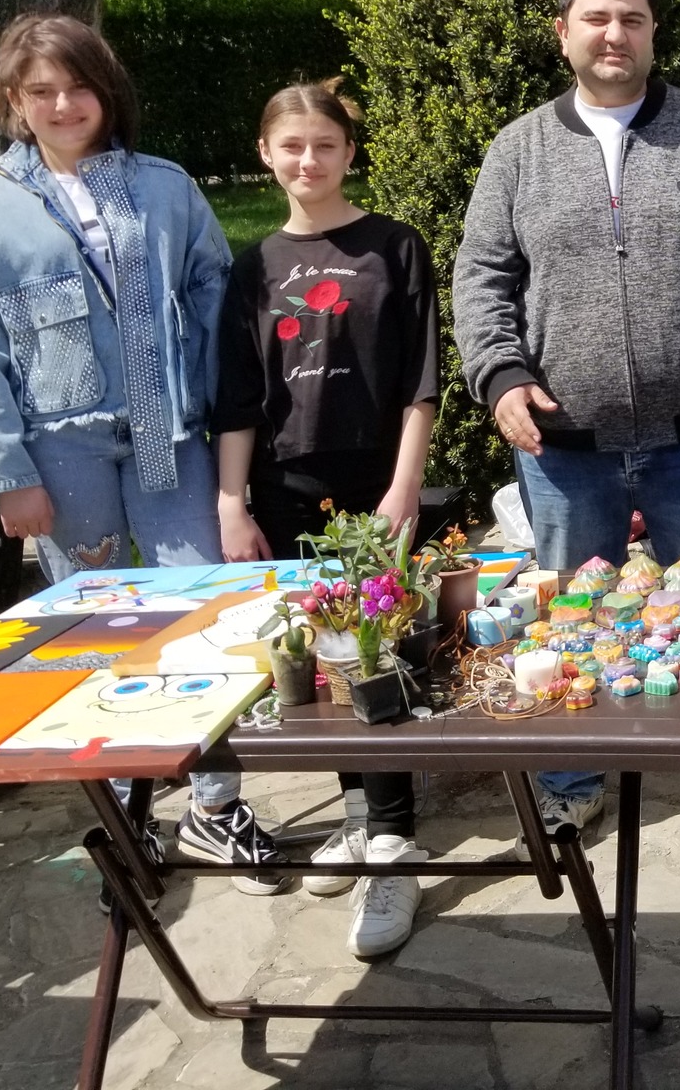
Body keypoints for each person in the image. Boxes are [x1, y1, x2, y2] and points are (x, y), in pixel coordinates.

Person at [453, 0, 680, 853]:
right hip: (565, 444)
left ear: (653, 33)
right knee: (572, 622)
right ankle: (571, 783)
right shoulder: (518, 150)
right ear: (563, 34)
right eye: (598, 19)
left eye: (634, 20)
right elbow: (482, 275)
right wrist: (500, 375)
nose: (616, 34)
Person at [0, 13, 282, 898]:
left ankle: (216, 802)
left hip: (172, 439)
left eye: (78, 87)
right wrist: (8, 475)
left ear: (107, 92)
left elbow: (217, 306)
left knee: (204, 613)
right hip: (64, 455)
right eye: (41, 91)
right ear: (14, 101)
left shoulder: (164, 188)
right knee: (93, 630)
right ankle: (128, 808)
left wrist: (229, 423)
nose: (63, 105)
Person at [213, 80, 441, 958]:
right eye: (292, 146)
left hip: (374, 486)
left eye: (325, 145)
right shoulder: (254, 267)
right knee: (326, 660)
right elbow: (239, 399)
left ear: (350, 151)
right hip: (287, 489)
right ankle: (357, 815)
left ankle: (394, 843)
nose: (309, 161)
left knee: (377, 659)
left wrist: (403, 489)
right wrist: (232, 502)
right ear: (265, 155)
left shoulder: (395, 246)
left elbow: (420, 383)